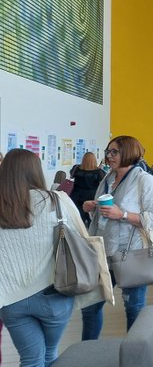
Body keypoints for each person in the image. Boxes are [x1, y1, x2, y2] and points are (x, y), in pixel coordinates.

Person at [81, 135, 153, 339]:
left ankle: (135, 353)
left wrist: (123, 215)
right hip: (102, 251)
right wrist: (91, 208)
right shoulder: (107, 179)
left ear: (129, 153)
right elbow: (103, 215)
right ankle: (87, 349)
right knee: (90, 306)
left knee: (133, 307)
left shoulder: (145, 181)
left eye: (114, 152)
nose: (109, 156)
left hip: (132, 253)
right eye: (108, 151)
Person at [0, 149, 80, 366]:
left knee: (30, 359)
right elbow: (81, 237)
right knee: (49, 353)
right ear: (36, 171)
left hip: (9, 299)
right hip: (54, 295)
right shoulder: (58, 200)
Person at [70, 152, 106, 227]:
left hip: (76, 196)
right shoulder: (98, 172)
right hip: (91, 197)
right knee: (91, 221)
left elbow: (71, 175)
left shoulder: (76, 168)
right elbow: (104, 182)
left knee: (78, 221)